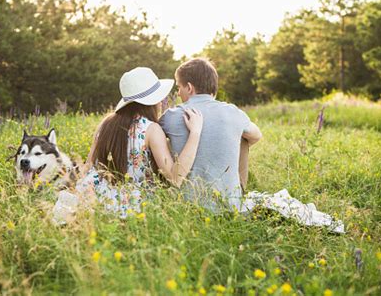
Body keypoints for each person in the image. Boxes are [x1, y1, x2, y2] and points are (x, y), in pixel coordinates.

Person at [52, 67, 203, 223]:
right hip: (133, 206)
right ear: (152, 101)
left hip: (97, 198)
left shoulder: (106, 124)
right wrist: (195, 133)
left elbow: (89, 166)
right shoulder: (151, 129)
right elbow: (174, 177)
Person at [159, 58, 262, 212]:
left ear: (189, 87)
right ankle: (238, 191)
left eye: (179, 87)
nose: (178, 93)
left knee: (161, 142)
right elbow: (256, 136)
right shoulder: (233, 112)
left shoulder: (171, 116)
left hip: (186, 207)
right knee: (243, 138)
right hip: (230, 208)